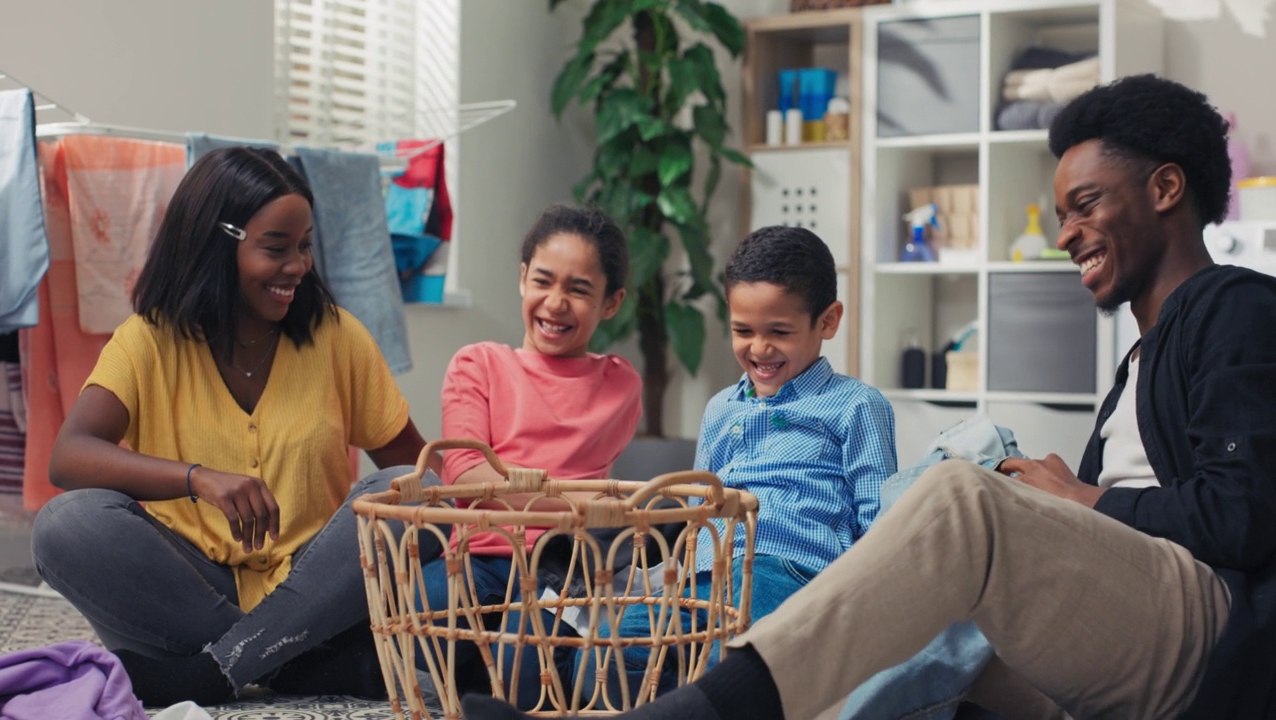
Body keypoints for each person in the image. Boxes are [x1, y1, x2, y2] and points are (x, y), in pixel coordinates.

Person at [459, 74, 1276, 720]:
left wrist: (1084, 498)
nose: (1064, 234)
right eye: (1061, 212)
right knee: (965, 488)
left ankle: (701, 709)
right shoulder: (1142, 358)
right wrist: (1050, 497)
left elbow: (1245, 515)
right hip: (1117, 628)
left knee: (958, 495)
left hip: (1197, 630)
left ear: (1167, 189)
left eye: (1086, 205)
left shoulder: (1232, 305)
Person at [30, 146, 445, 707]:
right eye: (277, 249)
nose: (298, 266)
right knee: (65, 523)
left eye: (304, 247)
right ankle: (297, 664)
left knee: (406, 489)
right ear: (215, 243)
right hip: (187, 595)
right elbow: (70, 456)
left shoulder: (338, 337)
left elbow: (425, 477)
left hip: (312, 591)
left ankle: (213, 673)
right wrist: (198, 478)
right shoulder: (148, 340)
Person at [585, 224, 896, 705]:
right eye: (742, 330)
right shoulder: (720, 409)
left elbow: (878, 523)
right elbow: (696, 514)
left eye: (780, 332)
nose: (759, 349)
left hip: (790, 574)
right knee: (604, 657)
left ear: (828, 322)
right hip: (699, 578)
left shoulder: (856, 406)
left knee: (722, 667)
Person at [419, 204, 643, 708]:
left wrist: (521, 494)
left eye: (579, 289)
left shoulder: (619, 383)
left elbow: (497, 486)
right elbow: (470, 479)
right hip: (475, 559)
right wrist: (571, 505)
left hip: (559, 567)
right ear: (522, 279)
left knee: (526, 669)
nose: (556, 303)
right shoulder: (477, 364)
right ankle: (478, 682)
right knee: (415, 612)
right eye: (543, 280)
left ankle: (494, 686)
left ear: (611, 303)